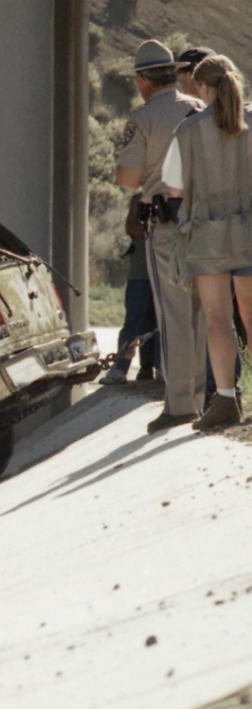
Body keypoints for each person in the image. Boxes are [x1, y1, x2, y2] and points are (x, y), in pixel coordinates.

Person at [115, 39, 206, 432]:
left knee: (173, 315)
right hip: (204, 223)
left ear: (142, 80)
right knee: (204, 312)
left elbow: (128, 178)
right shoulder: (201, 110)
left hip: (165, 225)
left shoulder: (144, 117)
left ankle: (180, 402)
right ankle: (208, 396)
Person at [164, 54, 252, 431]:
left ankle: (227, 401)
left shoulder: (188, 131)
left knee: (218, 319)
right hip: (250, 230)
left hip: (208, 235)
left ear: (202, 88)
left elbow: (174, 186)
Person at [99, 196, 160, 384]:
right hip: (140, 274)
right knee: (134, 322)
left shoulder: (173, 195)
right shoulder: (139, 199)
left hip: (164, 274)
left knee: (162, 324)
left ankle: (158, 368)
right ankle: (120, 369)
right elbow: (131, 228)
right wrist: (153, 229)